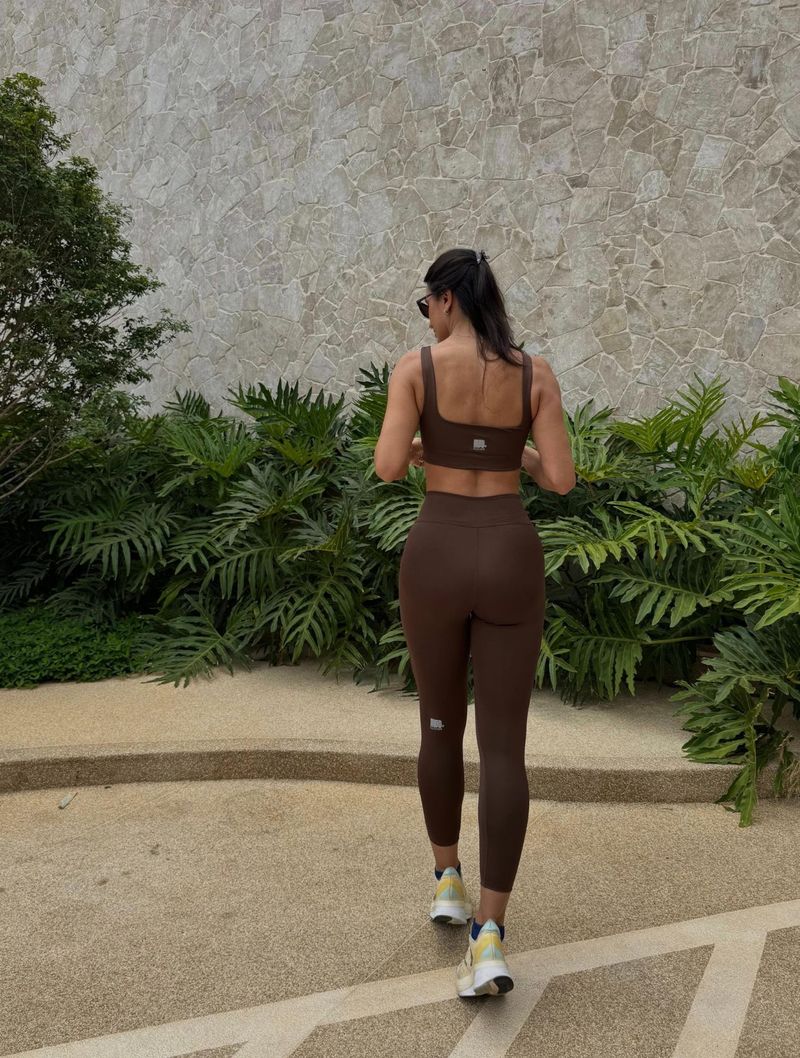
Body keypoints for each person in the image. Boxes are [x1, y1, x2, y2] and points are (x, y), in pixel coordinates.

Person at [374, 247, 576, 998]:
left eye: (426, 303)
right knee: (503, 748)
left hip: (436, 552)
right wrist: (513, 457)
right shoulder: (535, 374)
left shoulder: (415, 368)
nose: (426, 315)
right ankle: (489, 935)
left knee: (438, 723)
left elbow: (387, 466)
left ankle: (447, 880)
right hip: (510, 553)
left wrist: (428, 447)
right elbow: (561, 478)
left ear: (448, 299)